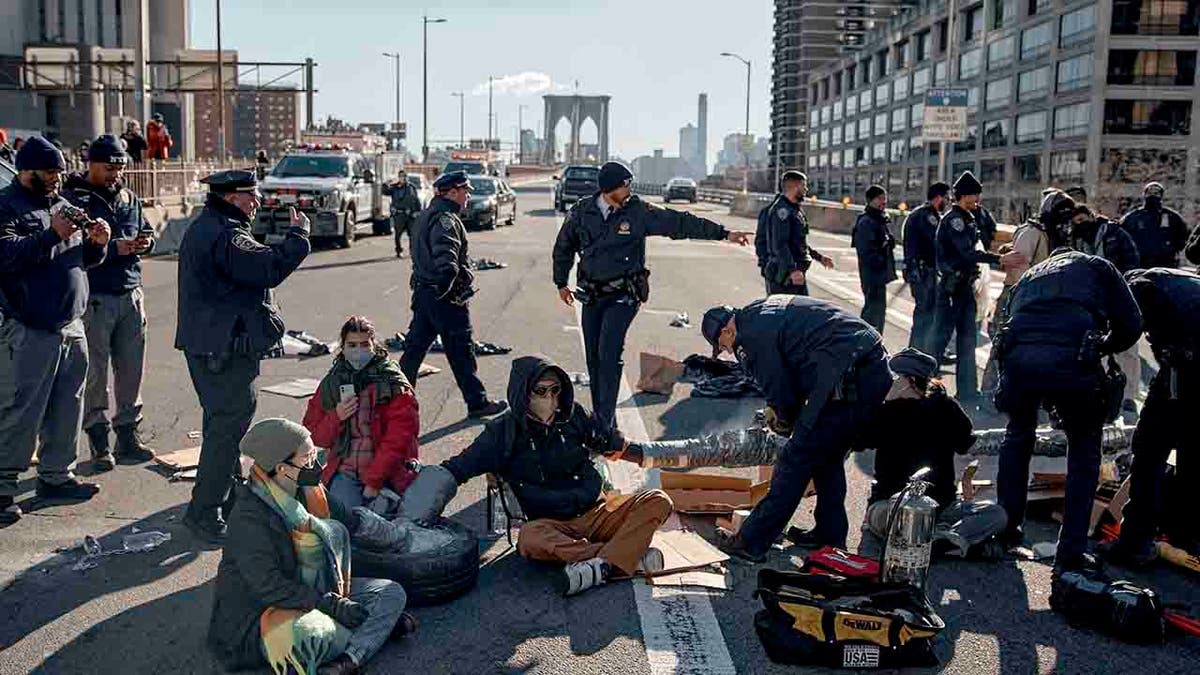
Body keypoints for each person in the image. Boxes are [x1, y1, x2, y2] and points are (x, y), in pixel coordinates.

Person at [993, 190, 1143, 574]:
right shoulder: (1097, 267)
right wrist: (1103, 346)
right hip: (1071, 358)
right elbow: (1132, 323)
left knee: (1018, 435)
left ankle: (1008, 530)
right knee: (1083, 447)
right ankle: (1071, 551)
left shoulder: (1032, 275)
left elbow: (1004, 321)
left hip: (1020, 359)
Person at [442, 355, 672, 596]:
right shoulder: (502, 433)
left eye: (555, 391)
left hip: (597, 511)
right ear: (523, 394)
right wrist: (419, 494)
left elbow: (614, 443)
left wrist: (667, 454)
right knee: (530, 540)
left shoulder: (574, 415)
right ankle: (622, 557)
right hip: (551, 525)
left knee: (658, 500)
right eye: (541, 391)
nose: (550, 400)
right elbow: (457, 468)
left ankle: (602, 566)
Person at [552, 161, 751, 431]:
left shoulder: (638, 211)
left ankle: (605, 425)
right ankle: (600, 416)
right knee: (594, 359)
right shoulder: (581, 212)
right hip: (592, 294)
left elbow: (679, 223)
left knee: (608, 353)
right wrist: (561, 282)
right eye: (626, 186)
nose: (630, 190)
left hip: (624, 295)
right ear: (611, 189)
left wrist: (724, 233)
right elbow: (564, 246)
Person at [208, 418, 415, 675]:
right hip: (261, 613)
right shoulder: (249, 518)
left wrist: (402, 536)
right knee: (315, 635)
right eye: (308, 458)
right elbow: (268, 586)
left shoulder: (308, 490)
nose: (317, 464)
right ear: (282, 468)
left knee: (391, 593)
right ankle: (370, 631)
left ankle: (348, 661)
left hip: (316, 590)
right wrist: (328, 604)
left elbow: (350, 521)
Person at [700, 296, 893, 562]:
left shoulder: (752, 339)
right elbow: (794, 365)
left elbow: (783, 393)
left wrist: (783, 421)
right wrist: (781, 410)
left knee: (796, 457)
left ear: (727, 331)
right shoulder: (757, 312)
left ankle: (751, 542)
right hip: (864, 362)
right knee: (827, 454)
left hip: (849, 372)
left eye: (723, 346)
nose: (729, 351)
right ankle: (830, 535)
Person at [176, 169, 311, 543]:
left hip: (212, 346)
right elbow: (268, 267)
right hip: (224, 350)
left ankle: (225, 501)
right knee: (226, 430)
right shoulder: (226, 234)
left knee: (222, 426)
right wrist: (299, 236)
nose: (256, 203)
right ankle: (204, 511)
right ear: (233, 198)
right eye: (251, 196)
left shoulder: (212, 227)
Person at [0, 136, 112, 524]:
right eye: (47, 174)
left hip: (71, 324)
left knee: (69, 405)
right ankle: (2, 487)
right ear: (25, 171)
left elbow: (82, 260)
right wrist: (52, 235)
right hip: (29, 327)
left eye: (59, 173)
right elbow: (7, 257)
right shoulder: (7, 206)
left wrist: (97, 245)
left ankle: (56, 476)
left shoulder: (66, 206)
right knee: (20, 409)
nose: (55, 180)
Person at [62, 135, 157, 471]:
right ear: (91, 164)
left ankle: (128, 434)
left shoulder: (129, 197)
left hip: (131, 293)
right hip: (97, 297)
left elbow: (146, 229)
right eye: (108, 167)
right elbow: (71, 247)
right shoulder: (74, 199)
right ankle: (99, 441)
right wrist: (115, 248)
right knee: (96, 373)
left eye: (119, 167)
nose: (115, 173)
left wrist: (145, 242)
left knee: (131, 370)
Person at [862, 348, 1007, 558]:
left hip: (940, 507)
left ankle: (936, 542)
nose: (885, 381)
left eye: (892, 377)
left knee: (997, 514)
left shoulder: (945, 407)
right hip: (893, 504)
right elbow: (860, 439)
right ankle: (948, 542)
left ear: (909, 380)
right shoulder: (884, 411)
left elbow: (966, 443)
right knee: (880, 517)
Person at [1100, 268, 1200, 567]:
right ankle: (1187, 534)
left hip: (1187, 372)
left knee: (1149, 453)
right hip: (1185, 366)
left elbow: (1126, 330)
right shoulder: (1176, 283)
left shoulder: (1138, 287)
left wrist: (1101, 345)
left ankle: (1135, 542)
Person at [399, 171, 507, 420]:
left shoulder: (427, 215)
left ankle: (397, 402)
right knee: (461, 352)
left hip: (425, 295)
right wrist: (450, 290)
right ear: (452, 192)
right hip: (444, 301)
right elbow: (447, 262)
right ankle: (477, 403)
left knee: (413, 352)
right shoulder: (446, 219)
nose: (468, 196)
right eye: (465, 192)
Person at [303, 316, 419, 512]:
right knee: (342, 521)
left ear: (374, 345)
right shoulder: (332, 383)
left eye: (364, 344)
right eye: (352, 345)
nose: (358, 351)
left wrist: (373, 483)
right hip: (346, 472)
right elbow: (312, 436)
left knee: (383, 525)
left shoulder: (393, 383)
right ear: (343, 346)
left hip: (388, 473)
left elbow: (398, 441)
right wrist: (336, 417)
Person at [928, 171, 1020, 403]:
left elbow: (978, 243)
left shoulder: (968, 217)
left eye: (977, 196)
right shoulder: (955, 220)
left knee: (967, 340)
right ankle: (920, 385)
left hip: (964, 288)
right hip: (951, 289)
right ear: (961, 196)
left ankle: (968, 392)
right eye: (972, 196)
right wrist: (999, 260)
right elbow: (967, 253)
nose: (976, 200)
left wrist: (998, 253)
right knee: (939, 340)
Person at [1066, 203, 1143, 421]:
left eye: (1083, 219)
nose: (1080, 225)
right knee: (1097, 347)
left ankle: (1129, 398)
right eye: (1076, 222)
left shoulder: (1114, 233)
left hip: (1118, 295)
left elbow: (1132, 260)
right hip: (1092, 300)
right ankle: (1104, 396)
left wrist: (1124, 288)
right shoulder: (1076, 239)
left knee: (1127, 349)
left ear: (1092, 215)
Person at [757, 170, 834, 295]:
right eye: (803, 186)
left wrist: (819, 257)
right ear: (794, 187)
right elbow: (780, 244)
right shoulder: (782, 211)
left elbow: (798, 242)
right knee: (783, 312)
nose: (806, 189)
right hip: (785, 275)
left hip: (794, 273)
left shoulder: (795, 209)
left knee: (800, 311)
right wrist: (792, 270)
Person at [902, 182, 949, 352]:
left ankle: (920, 351)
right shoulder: (927, 217)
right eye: (946, 198)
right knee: (925, 315)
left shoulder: (920, 214)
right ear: (938, 198)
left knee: (926, 314)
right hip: (924, 273)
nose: (948, 202)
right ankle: (917, 353)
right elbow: (936, 243)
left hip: (921, 272)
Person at [852, 184, 897, 333]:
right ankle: (864, 343)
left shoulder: (879, 220)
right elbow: (866, 251)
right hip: (872, 274)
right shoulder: (866, 222)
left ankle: (875, 342)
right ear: (871, 200)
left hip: (879, 274)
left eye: (885, 199)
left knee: (878, 312)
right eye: (880, 199)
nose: (884, 202)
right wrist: (880, 258)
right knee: (872, 312)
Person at [1119, 182, 1191, 268]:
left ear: (1161, 195)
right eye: (1149, 193)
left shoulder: (1172, 217)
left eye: (1156, 193)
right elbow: (1121, 236)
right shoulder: (1133, 217)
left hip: (1166, 263)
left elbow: (1184, 236)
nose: (1152, 195)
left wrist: (1171, 249)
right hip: (1139, 263)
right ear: (1144, 195)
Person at [383, 168, 421, 258]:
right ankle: (399, 250)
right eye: (400, 176)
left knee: (411, 234)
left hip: (409, 214)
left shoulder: (411, 187)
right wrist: (386, 184)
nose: (402, 178)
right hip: (399, 214)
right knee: (398, 234)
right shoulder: (394, 187)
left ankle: (412, 251)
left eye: (404, 176)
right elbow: (385, 192)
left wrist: (417, 211)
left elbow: (416, 200)